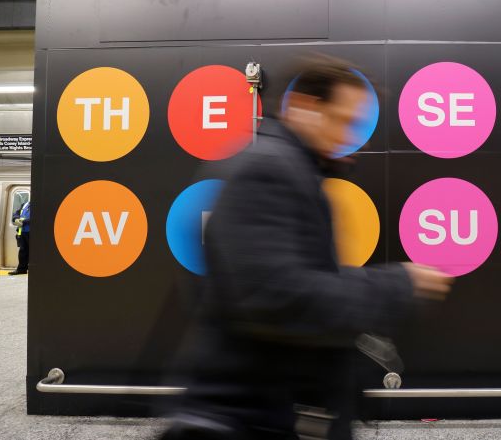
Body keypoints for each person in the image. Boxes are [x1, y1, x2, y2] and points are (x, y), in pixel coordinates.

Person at [160, 56, 452, 440]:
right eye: (343, 121)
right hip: (243, 418)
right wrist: (400, 283)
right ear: (307, 107)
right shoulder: (267, 171)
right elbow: (277, 296)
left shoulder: (292, 169)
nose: (349, 137)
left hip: (267, 412)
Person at [9, 200, 29, 275]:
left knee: (34, 252)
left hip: (34, 232)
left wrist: (24, 221)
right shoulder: (25, 204)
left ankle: (36, 270)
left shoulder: (41, 204)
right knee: (23, 252)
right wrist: (16, 219)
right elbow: (16, 213)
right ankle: (21, 269)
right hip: (23, 232)